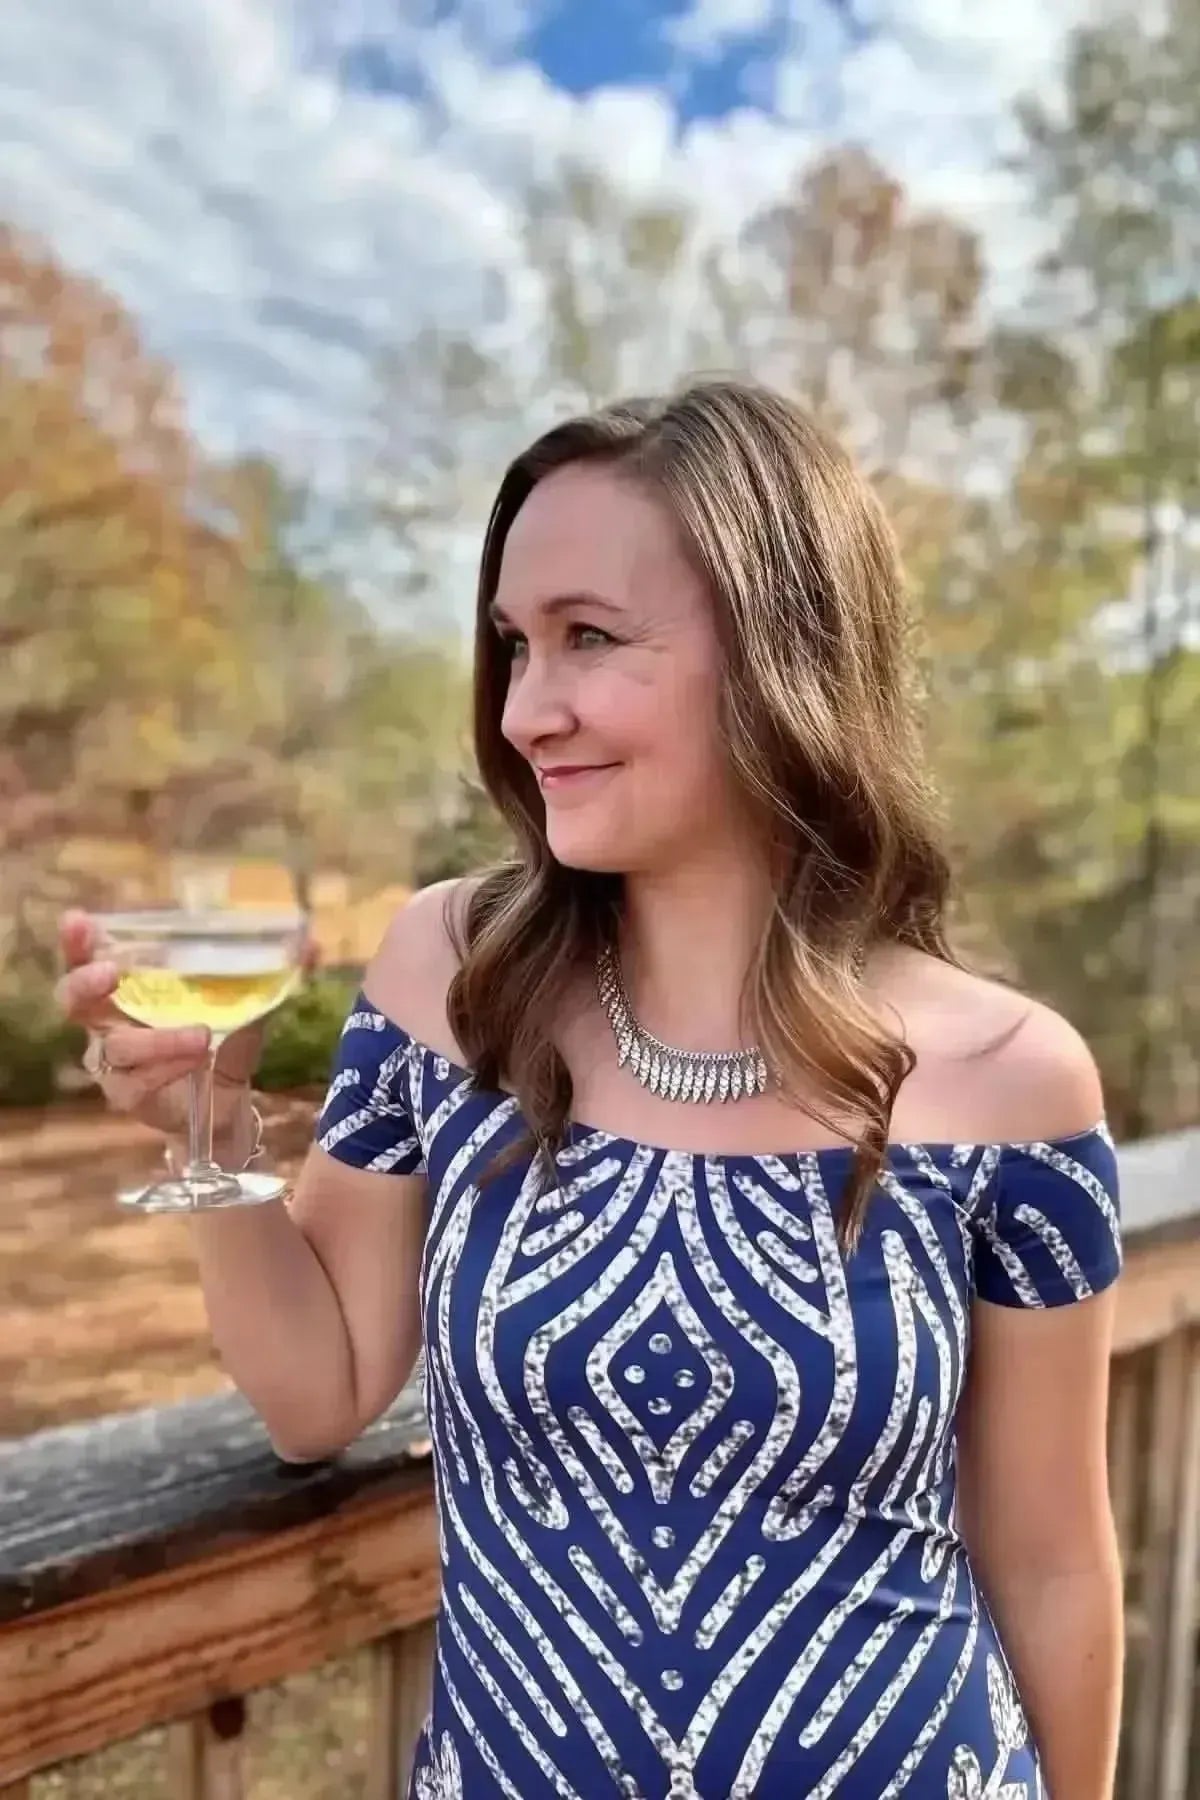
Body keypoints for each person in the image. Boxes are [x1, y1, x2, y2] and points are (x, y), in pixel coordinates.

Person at [58, 380, 1124, 1800]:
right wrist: (211, 1121)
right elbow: (317, 1394)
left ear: (781, 654)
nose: (525, 711)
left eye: (590, 639)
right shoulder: (451, 974)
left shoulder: (1016, 1083)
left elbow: (1053, 1563)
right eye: (512, 645)